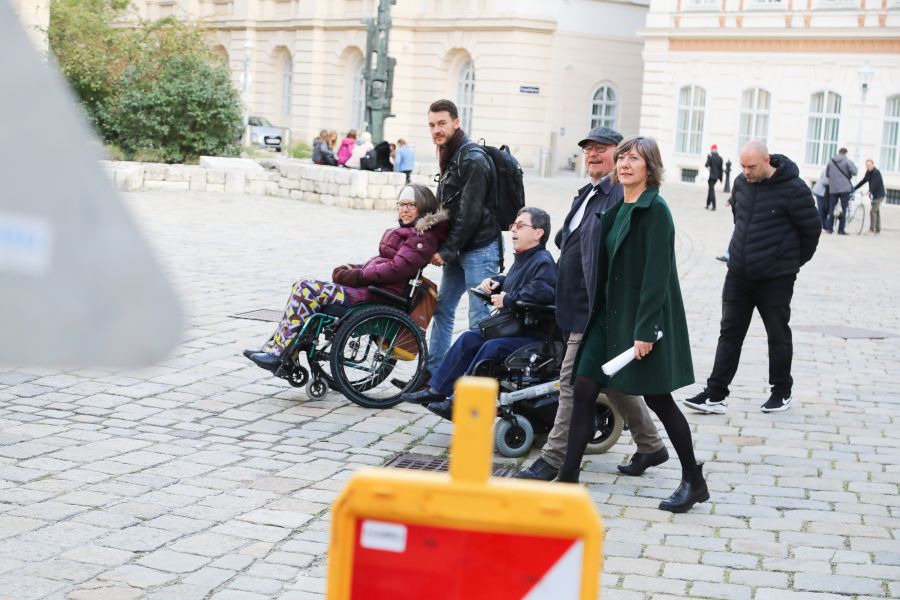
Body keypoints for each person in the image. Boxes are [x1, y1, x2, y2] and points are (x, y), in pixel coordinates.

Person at [557, 136, 706, 514]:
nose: (624, 164)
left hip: (641, 321)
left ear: (649, 167)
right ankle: (567, 478)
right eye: (621, 157)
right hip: (607, 319)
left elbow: (657, 276)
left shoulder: (654, 210)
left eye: (634, 158)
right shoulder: (618, 207)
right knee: (583, 388)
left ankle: (693, 479)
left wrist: (644, 331)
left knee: (660, 400)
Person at [517, 126, 668, 482]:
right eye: (588, 150)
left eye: (602, 149)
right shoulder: (588, 192)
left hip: (594, 309)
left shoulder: (618, 195)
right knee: (611, 380)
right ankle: (650, 445)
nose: (593, 155)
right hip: (572, 305)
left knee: (571, 382)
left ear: (620, 155)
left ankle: (553, 459)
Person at [242, 185, 447, 371]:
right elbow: (380, 262)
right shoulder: (408, 233)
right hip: (372, 289)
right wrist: (350, 268)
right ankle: (282, 349)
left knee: (306, 288)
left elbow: (395, 269)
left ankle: (279, 353)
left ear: (423, 207)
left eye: (411, 205)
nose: (405, 209)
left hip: (378, 295)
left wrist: (357, 275)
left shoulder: (421, 238)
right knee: (301, 286)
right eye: (401, 204)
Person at [684, 140, 820, 415]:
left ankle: (781, 392)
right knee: (729, 333)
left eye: (751, 166)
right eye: (743, 165)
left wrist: (789, 263)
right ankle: (715, 393)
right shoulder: (740, 183)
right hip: (738, 274)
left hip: (776, 278)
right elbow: (740, 220)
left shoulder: (795, 189)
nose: (746, 171)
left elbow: (811, 231)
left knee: (777, 335)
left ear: (767, 160)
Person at [402, 207, 556, 420]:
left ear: (538, 233)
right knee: (468, 338)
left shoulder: (543, 261)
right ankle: (436, 390)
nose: (513, 230)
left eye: (521, 226)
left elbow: (543, 291)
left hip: (533, 335)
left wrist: (509, 299)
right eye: (513, 225)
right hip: (515, 330)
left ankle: (460, 404)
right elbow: (516, 282)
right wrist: (497, 282)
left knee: (491, 347)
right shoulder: (525, 258)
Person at [425, 99, 501, 377]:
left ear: (456, 122)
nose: (436, 129)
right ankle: (433, 373)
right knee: (442, 309)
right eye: (432, 125)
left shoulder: (472, 158)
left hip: (479, 248)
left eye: (442, 123)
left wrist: (446, 250)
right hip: (459, 247)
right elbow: (449, 206)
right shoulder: (451, 154)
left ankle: (476, 381)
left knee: (479, 319)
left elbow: (470, 213)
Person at [824, 147, 857, 235]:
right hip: (844, 188)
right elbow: (854, 172)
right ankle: (841, 230)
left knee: (831, 209)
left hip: (833, 188)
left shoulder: (831, 161)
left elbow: (827, 174)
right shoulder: (847, 161)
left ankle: (830, 229)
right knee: (844, 208)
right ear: (845, 153)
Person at [855, 159, 885, 235]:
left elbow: (875, 183)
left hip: (879, 195)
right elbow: (864, 181)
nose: (868, 166)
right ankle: (878, 229)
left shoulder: (876, 172)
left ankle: (872, 229)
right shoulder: (868, 172)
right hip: (874, 195)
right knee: (876, 211)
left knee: (873, 211)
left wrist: (869, 191)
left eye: (869, 165)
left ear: (873, 165)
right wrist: (854, 188)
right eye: (867, 165)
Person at [705, 144, 724, 210]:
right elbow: (721, 170)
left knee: (711, 191)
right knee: (710, 190)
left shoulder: (710, 156)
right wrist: (721, 179)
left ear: (711, 150)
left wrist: (708, 158)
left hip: (711, 177)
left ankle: (714, 206)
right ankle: (707, 204)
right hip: (716, 177)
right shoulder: (720, 158)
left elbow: (706, 164)